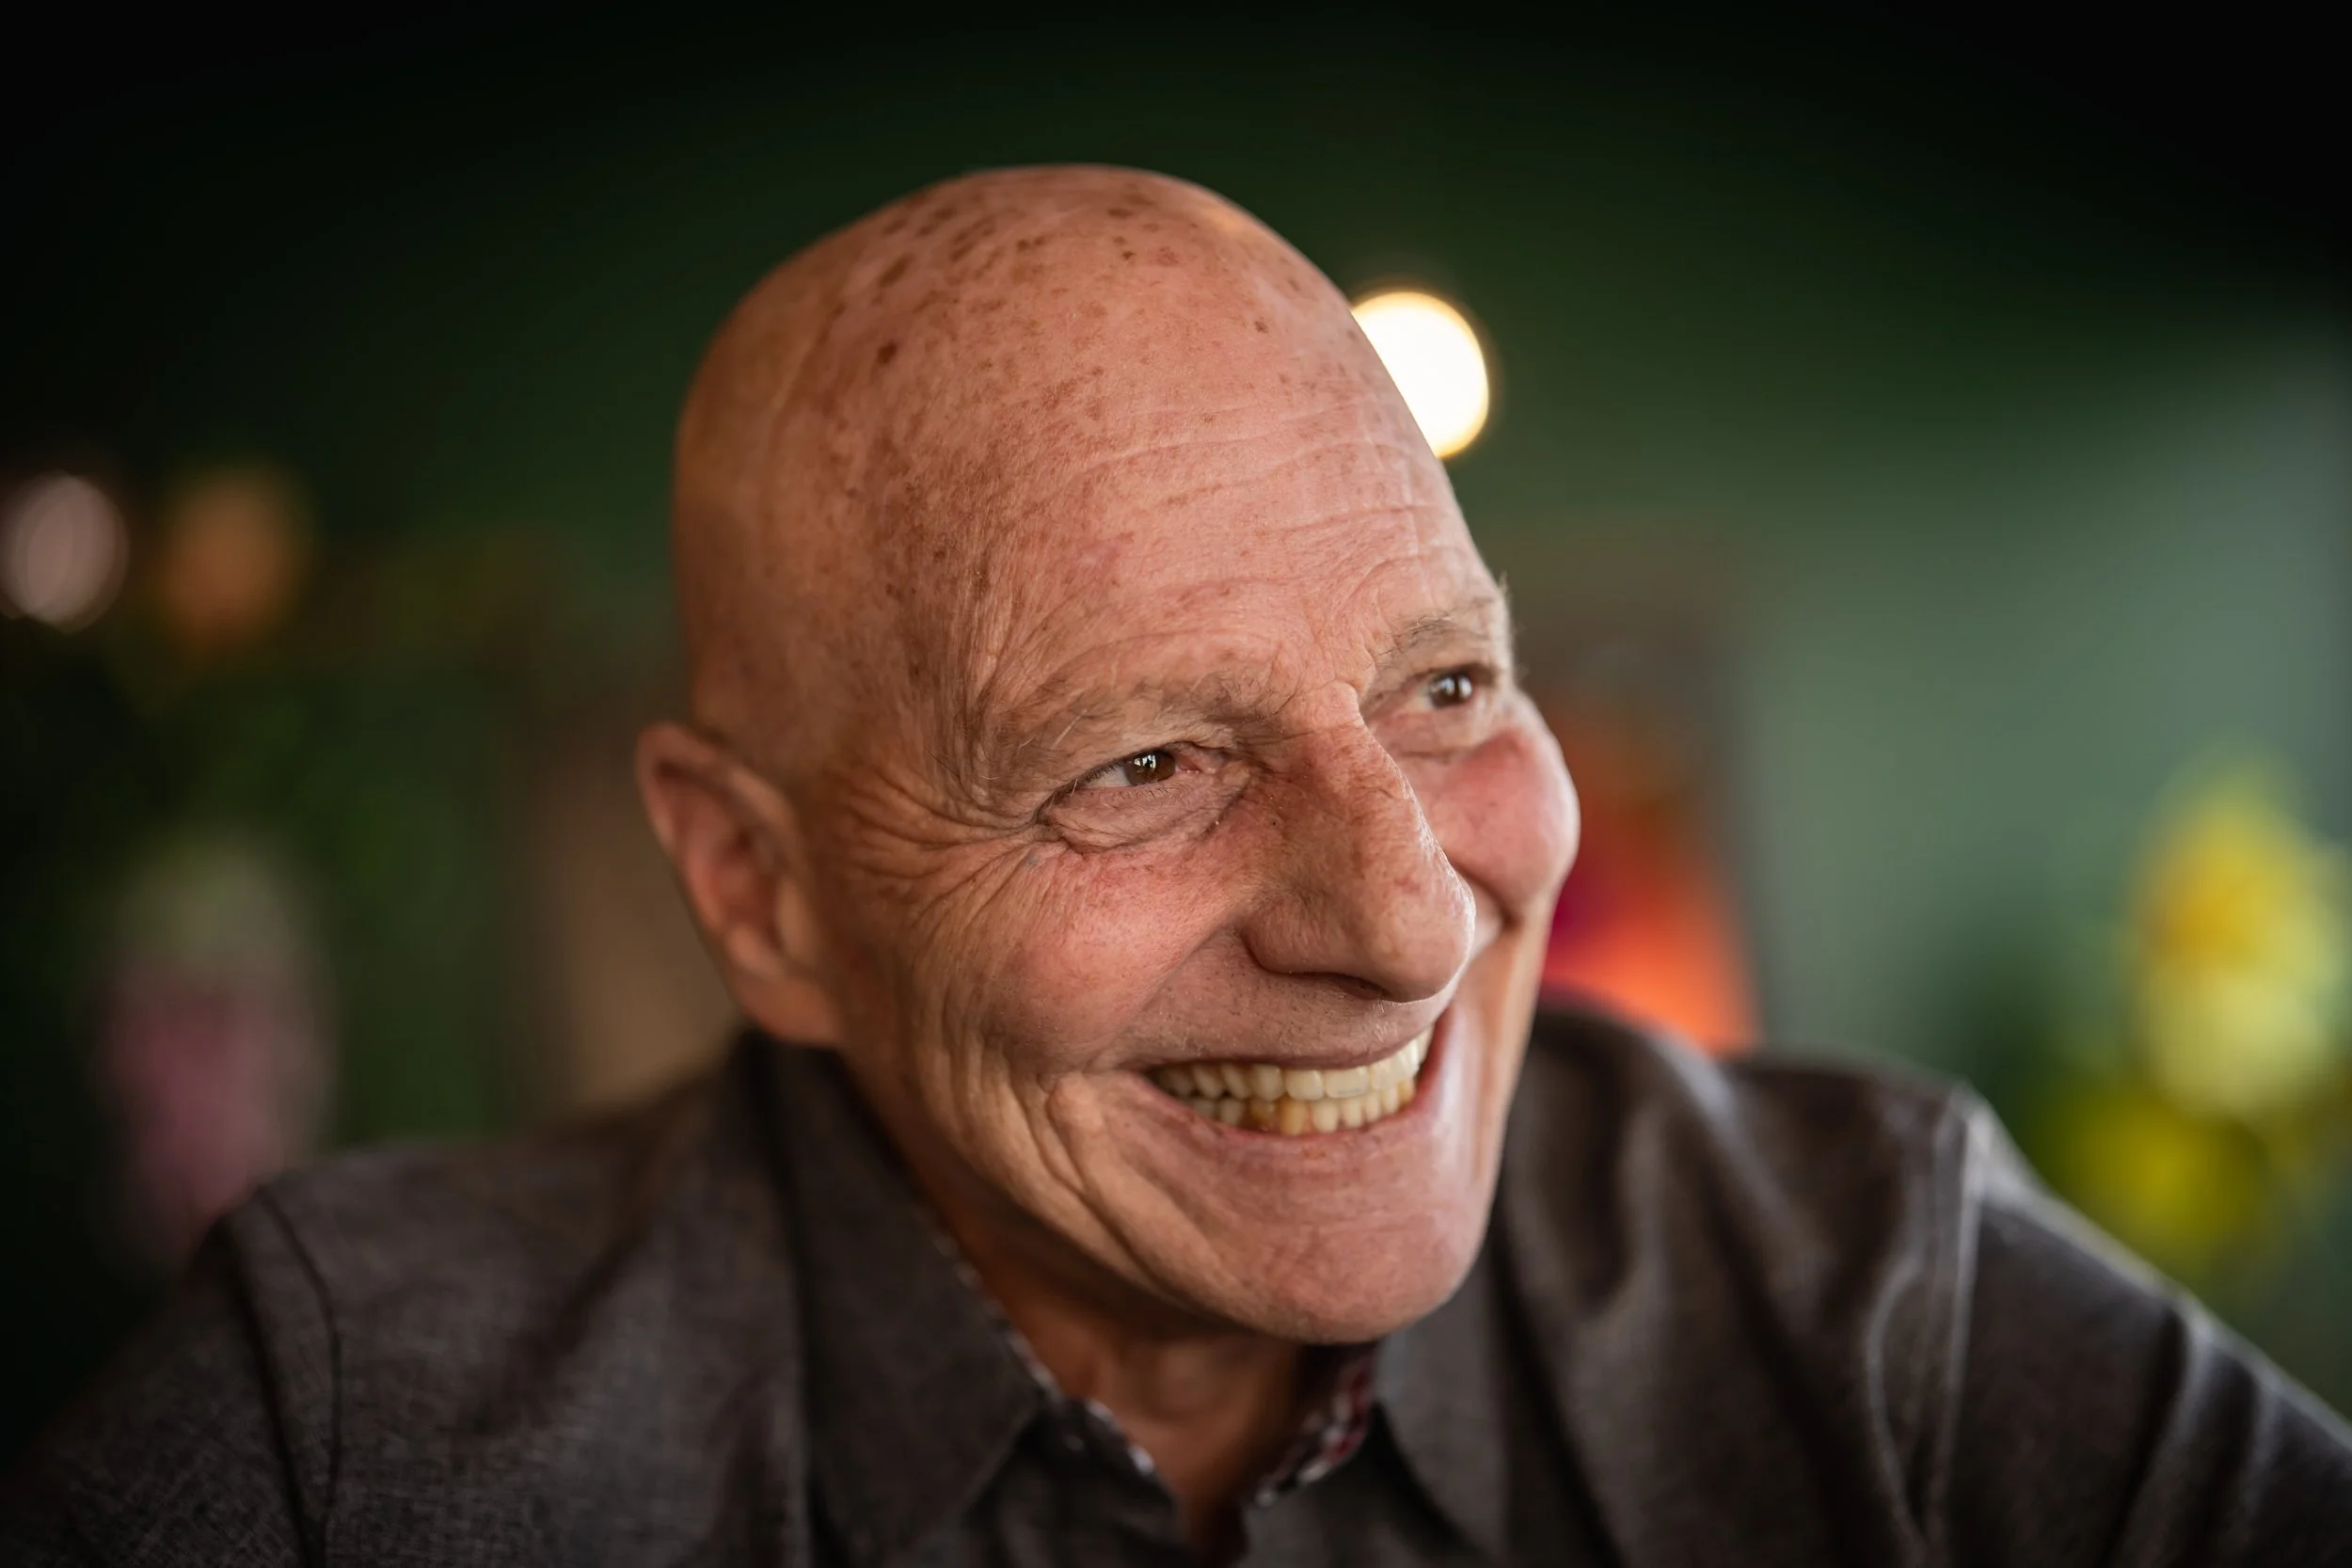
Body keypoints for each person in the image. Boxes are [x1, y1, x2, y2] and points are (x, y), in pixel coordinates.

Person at [5, 166, 2348, 1567]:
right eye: (1136, 762)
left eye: (1445, 684)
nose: (1409, 921)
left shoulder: (1866, 1303)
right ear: (757, 887)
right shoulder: (357, 1439)